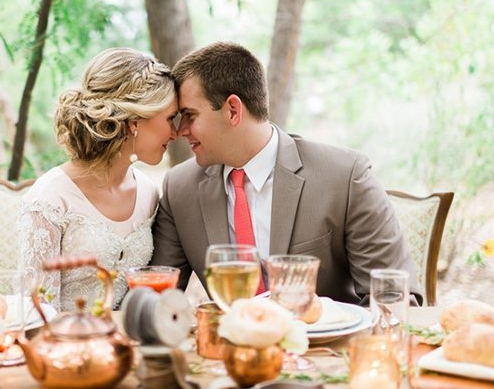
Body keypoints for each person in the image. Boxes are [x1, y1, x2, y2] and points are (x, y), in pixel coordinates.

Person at [151, 42, 420, 305]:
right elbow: (154, 299)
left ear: (233, 111)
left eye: (189, 115)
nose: (180, 130)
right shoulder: (179, 188)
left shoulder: (345, 177)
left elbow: (394, 297)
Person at [18, 48, 178, 311]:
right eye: (170, 119)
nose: (176, 133)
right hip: (66, 344)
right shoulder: (49, 200)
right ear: (134, 120)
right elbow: (36, 312)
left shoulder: (149, 193)